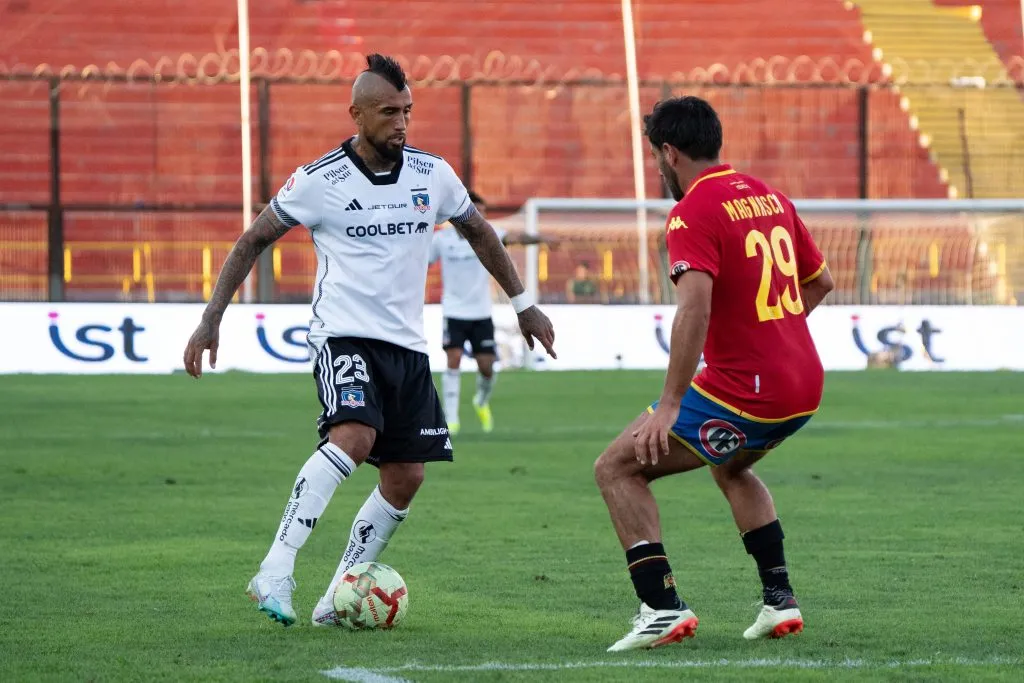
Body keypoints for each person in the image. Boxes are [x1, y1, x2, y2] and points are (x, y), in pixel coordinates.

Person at [181, 54, 556, 627]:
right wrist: (211, 318)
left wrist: (523, 304)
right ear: (357, 114)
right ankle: (275, 570)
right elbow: (252, 239)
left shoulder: (431, 174)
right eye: (388, 112)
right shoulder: (319, 181)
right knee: (354, 435)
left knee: (406, 476)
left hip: (407, 346)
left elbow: (479, 230)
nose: (401, 124)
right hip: (344, 336)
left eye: (407, 111)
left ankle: (337, 595)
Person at [593, 96, 834, 651]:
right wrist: (771, 330)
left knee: (616, 468)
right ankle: (780, 601)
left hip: (746, 389)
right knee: (731, 468)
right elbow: (820, 283)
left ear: (670, 153)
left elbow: (694, 307)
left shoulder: (693, 211)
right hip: (803, 384)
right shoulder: (770, 196)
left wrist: (671, 403)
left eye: (657, 157)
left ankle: (660, 606)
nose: (658, 168)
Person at [429, 191, 543, 435]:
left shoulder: (488, 235)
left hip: (481, 313)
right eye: (476, 211)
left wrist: (541, 239)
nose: (480, 217)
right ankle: (451, 419)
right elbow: (421, 261)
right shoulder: (442, 240)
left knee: (487, 367)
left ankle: (480, 401)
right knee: (453, 360)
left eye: (483, 213)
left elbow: (516, 237)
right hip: (454, 312)